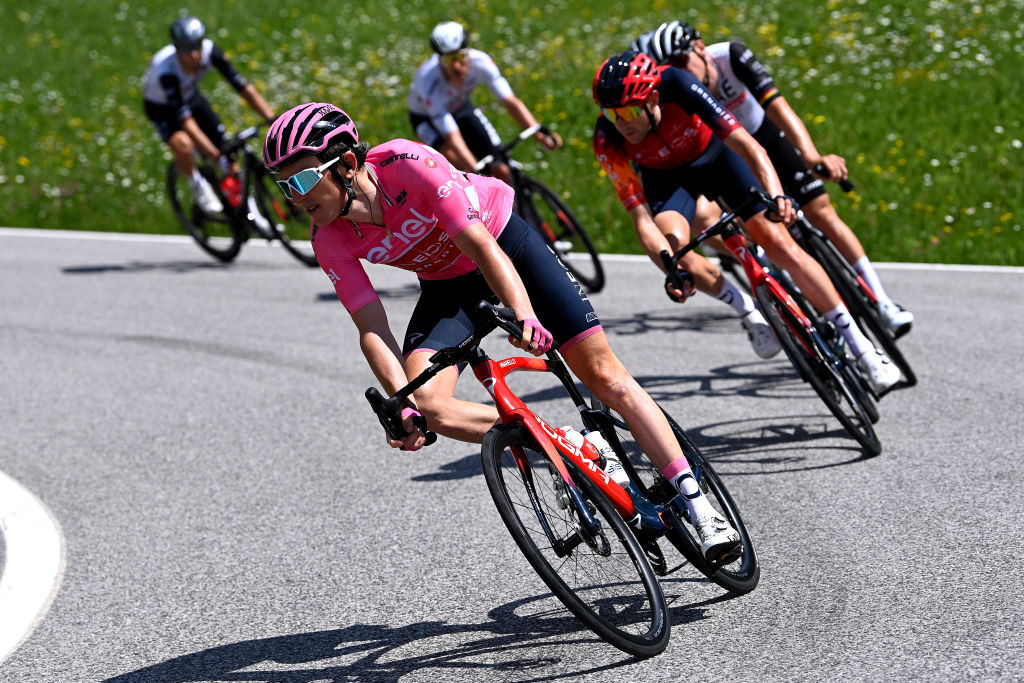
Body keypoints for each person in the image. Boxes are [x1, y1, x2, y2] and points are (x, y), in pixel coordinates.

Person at [264, 101, 741, 561]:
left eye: (304, 179)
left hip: (504, 245)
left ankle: (700, 506)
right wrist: (402, 404)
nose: (296, 196)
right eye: (284, 186)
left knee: (603, 375)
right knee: (431, 405)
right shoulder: (327, 237)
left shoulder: (409, 163)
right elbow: (370, 325)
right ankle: (566, 444)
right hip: (446, 286)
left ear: (346, 163)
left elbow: (482, 247)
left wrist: (524, 314)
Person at [591, 51, 901, 393]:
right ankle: (747, 309)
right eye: (611, 114)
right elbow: (641, 220)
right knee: (674, 247)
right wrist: (672, 271)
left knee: (780, 244)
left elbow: (748, 146)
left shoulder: (677, 83)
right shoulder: (607, 138)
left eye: (629, 112)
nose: (622, 122)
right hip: (667, 181)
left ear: (651, 98)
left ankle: (864, 350)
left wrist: (778, 195)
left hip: (717, 157)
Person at [635, 21, 913, 334]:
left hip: (764, 139)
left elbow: (780, 108)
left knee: (821, 211)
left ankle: (882, 302)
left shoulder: (731, 56)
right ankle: (801, 307)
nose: (678, 71)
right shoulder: (672, 94)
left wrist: (811, 156)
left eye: (681, 61)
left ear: (700, 48)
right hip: (729, 157)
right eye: (669, 67)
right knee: (763, 236)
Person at [143, 15, 275, 214]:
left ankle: (249, 210)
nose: (195, 54)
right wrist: (215, 155)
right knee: (184, 145)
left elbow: (243, 88)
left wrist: (273, 120)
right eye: (188, 50)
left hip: (190, 95)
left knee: (229, 156)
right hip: (161, 109)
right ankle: (197, 184)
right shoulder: (166, 72)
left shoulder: (209, 51)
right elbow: (186, 122)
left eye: (197, 46)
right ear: (177, 49)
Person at [407, 21, 562, 186]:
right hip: (427, 119)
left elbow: (511, 101)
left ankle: (514, 210)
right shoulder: (428, 82)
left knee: (501, 168)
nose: (457, 66)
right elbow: (451, 135)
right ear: (439, 60)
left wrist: (540, 135)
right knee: (459, 169)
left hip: (460, 107)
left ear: (468, 51)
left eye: (460, 56)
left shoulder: (481, 62)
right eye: (449, 60)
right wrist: (476, 173)